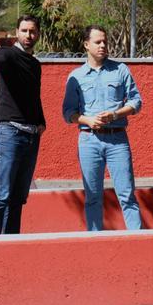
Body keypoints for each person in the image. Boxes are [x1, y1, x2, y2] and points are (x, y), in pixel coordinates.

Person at [62, 25, 143, 231]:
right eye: (98, 42)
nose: (103, 45)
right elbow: (68, 113)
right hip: (89, 140)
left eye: (105, 41)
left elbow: (136, 102)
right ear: (86, 44)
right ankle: (95, 241)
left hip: (117, 140)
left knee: (127, 194)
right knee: (92, 197)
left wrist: (115, 114)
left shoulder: (120, 69)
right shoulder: (76, 76)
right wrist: (87, 120)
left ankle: (137, 240)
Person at [0, 15, 46, 234]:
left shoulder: (35, 65)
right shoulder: (7, 53)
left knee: (18, 198)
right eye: (25, 30)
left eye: (33, 31)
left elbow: (33, 96)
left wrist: (40, 122)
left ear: (38, 34)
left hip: (31, 136)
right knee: (2, 195)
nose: (29, 35)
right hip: (9, 133)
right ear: (16, 32)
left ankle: (10, 245)